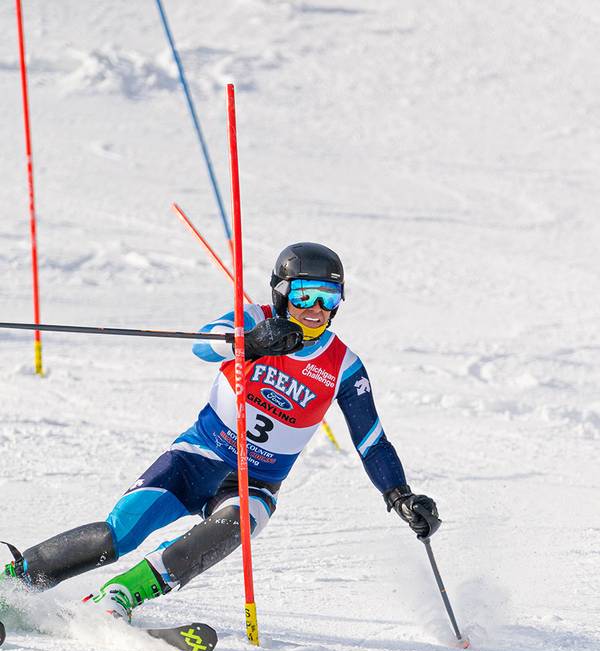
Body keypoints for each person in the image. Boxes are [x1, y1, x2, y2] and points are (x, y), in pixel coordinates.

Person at [1, 243, 440, 621]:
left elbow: (372, 442)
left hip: (256, 482)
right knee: (119, 532)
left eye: (328, 297)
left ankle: (117, 597)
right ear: (282, 292)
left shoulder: (343, 365)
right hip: (197, 457)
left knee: (232, 527)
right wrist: (251, 342)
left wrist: (399, 495)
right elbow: (202, 343)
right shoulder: (252, 318)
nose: (316, 310)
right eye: (305, 295)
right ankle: (13, 581)